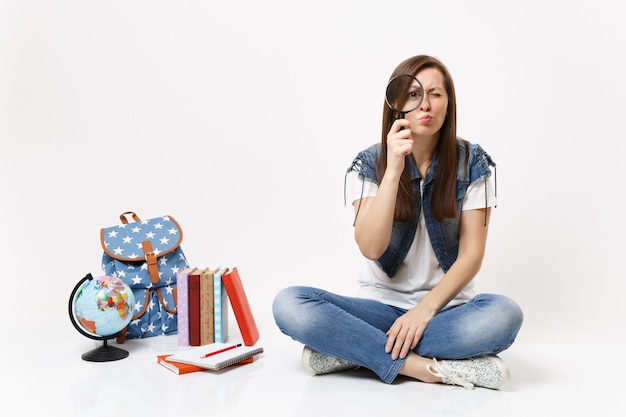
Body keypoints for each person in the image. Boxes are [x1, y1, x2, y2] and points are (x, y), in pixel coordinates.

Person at [272, 55, 523, 390]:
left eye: (436, 94)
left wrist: (424, 310)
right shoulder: (369, 163)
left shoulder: (472, 163)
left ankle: (352, 351)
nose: (426, 104)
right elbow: (371, 247)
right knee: (290, 304)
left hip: (445, 312)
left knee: (505, 314)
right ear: (397, 106)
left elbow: (472, 255)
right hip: (378, 310)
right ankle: (424, 368)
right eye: (413, 94)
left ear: (449, 104)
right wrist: (392, 169)